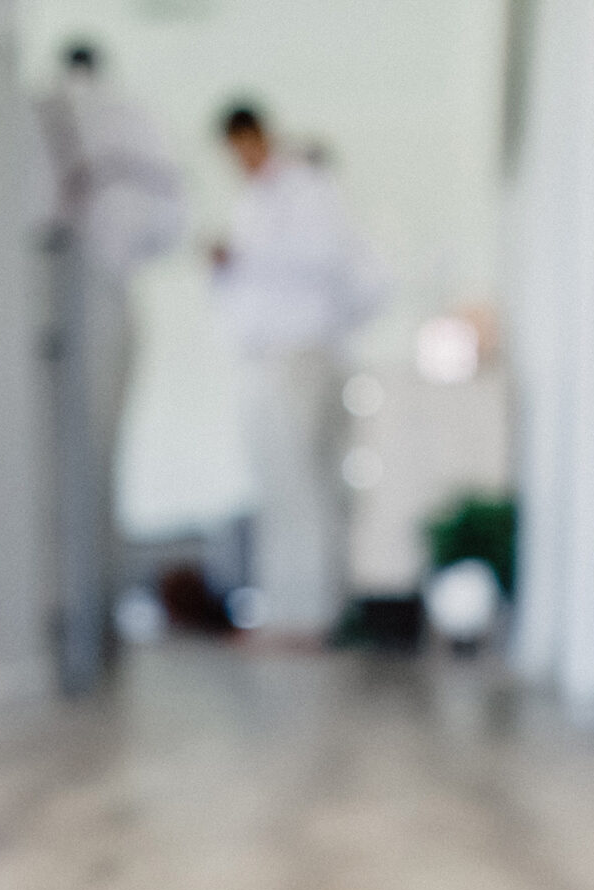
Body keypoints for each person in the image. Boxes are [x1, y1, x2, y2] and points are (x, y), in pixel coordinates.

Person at [34, 43, 185, 690]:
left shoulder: (41, 107)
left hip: (49, 277)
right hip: (106, 286)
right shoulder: (133, 116)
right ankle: (93, 623)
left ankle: (71, 617)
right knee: (97, 461)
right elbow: (170, 222)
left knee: (55, 467)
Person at [209, 104, 388, 641]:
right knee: (279, 487)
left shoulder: (306, 188)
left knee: (303, 487)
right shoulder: (257, 198)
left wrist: (242, 255)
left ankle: (310, 616)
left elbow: (327, 261)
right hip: (267, 355)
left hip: (301, 353)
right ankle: (287, 612)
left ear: (258, 135)